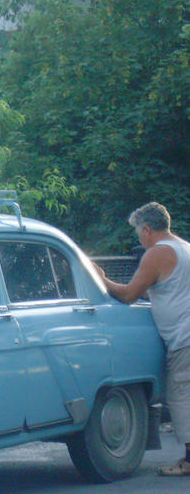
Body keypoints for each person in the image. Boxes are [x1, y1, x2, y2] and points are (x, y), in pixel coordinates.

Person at [95, 202, 190, 476]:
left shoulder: (157, 253)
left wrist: (102, 279)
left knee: (182, 395)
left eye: (138, 232)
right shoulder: (183, 247)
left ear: (147, 229)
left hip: (184, 337)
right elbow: (162, 292)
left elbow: (129, 294)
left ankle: (188, 460)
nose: (139, 238)